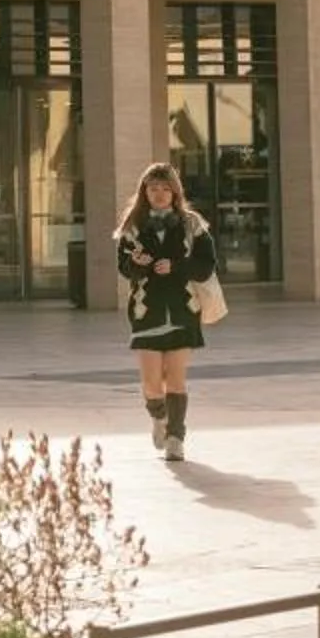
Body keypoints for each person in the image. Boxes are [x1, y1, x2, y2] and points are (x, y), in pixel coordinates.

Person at [115, 161, 218, 462]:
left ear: (175, 192)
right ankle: (159, 418)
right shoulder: (131, 228)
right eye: (152, 189)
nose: (159, 194)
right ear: (144, 192)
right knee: (151, 383)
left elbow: (207, 264)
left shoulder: (192, 224)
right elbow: (124, 268)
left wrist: (177, 266)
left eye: (165, 189)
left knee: (175, 379)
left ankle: (176, 437)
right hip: (147, 311)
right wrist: (139, 263)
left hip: (183, 309)